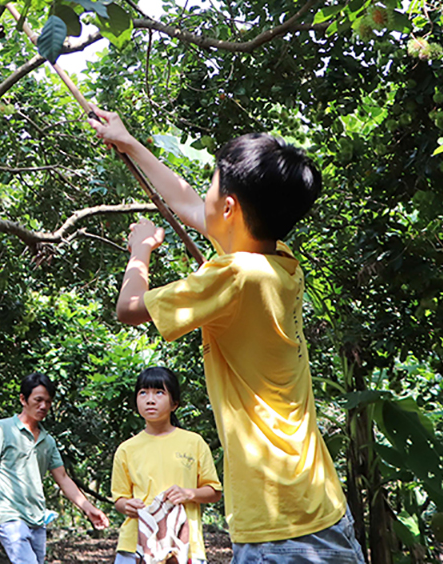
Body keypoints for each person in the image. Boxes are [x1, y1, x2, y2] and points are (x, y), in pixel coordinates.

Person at [90, 110, 365, 564]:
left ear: (231, 207)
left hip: (279, 527)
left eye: (213, 185)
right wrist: (129, 142)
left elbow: (129, 309)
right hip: (318, 506)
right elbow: (191, 205)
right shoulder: (277, 260)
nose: (205, 194)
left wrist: (140, 250)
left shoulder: (235, 274)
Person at [0, 372, 109, 564]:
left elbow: (63, 478)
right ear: (23, 399)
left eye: (48, 402)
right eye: (38, 400)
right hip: (9, 515)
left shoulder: (48, 442)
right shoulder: (2, 428)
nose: (43, 406)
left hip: (38, 519)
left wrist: (89, 509)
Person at [111, 366, 221, 564]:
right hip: (134, 545)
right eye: (143, 393)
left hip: (184, 544)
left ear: (174, 403)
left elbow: (214, 491)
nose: (150, 399)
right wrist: (128, 505)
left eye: (159, 392)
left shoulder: (194, 442)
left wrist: (188, 494)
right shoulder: (126, 449)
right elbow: (119, 499)